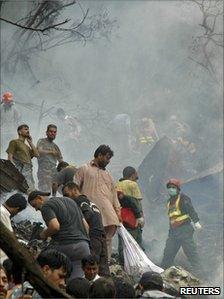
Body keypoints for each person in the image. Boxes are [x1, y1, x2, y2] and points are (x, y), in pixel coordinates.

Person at [28, 190, 90, 279]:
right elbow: (86, 227)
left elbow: (55, 227)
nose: (36, 209)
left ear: (39, 198)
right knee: (76, 281)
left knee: (42, 267)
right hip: (83, 247)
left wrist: (43, 235)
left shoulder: (46, 206)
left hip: (64, 246)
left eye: (34, 205)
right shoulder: (71, 201)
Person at [74, 145, 121, 262]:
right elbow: (74, 189)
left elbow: (114, 195)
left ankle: (106, 263)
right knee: (90, 237)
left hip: (108, 213)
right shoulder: (84, 169)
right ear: (99, 155)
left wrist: (118, 212)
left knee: (107, 238)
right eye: (107, 157)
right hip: (90, 212)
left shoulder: (109, 175)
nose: (108, 161)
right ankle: (90, 264)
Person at [62, 182, 110, 276]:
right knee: (103, 270)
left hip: (92, 237)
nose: (66, 198)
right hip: (101, 238)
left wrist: (76, 227)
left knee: (89, 267)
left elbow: (88, 213)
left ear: (75, 190)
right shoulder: (91, 202)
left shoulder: (80, 200)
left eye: (67, 195)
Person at [161, 178, 202, 277]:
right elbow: (172, 218)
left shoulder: (184, 199)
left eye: (173, 187)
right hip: (173, 232)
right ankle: (163, 272)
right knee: (168, 253)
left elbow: (191, 210)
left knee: (191, 252)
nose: (171, 189)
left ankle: (200, 273)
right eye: (169, 187)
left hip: (184, 230)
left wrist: (196, 222)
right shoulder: (168, 202)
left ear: (178, 189)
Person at [116, 166, 144, 249]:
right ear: (132, 175)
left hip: (120, 216)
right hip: (132, 216)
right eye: (136, 175)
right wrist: (141, 217)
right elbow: (137, 202)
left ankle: (123, 260)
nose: (137, 178)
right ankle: (136, 260)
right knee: (135, 241)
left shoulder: (117, 184)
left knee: (123, 240)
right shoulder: (133, 184)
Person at [6, 124, 39, 192]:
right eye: (26, 129)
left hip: (28, 169)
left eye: (28, 129)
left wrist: (30, 142)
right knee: (23, 187)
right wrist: (14, 169)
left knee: (30, 187)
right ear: (19, 132)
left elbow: (37, 154)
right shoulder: (14, 142)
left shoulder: (27, 147)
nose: (28, 131)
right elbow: (10, 157)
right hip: (20, 168)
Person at [116, 191, 143, 266]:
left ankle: (132, 262)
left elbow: (136, 209)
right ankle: (127, 263)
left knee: (132, 244)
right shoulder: (124, 200)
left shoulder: (128, 200)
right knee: (128, 245)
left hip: (130, 225)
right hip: (126, 225)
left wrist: (138, 218)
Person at [0, 193, 27, 263]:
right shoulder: (3, 214)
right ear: (17, 209)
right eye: (18, 212)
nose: (16, 214)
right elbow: (9, 239)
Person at [36, 124, 63, 192]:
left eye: (54, 132)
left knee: (57, 189)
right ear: (46, 132)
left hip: (54, 172)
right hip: (44, 171)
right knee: (45, 190)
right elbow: (39, 151)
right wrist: (51, 152)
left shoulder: (55, 146)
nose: (53, 133)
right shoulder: (42, 141)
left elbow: (61, 160)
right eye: (51, 131)